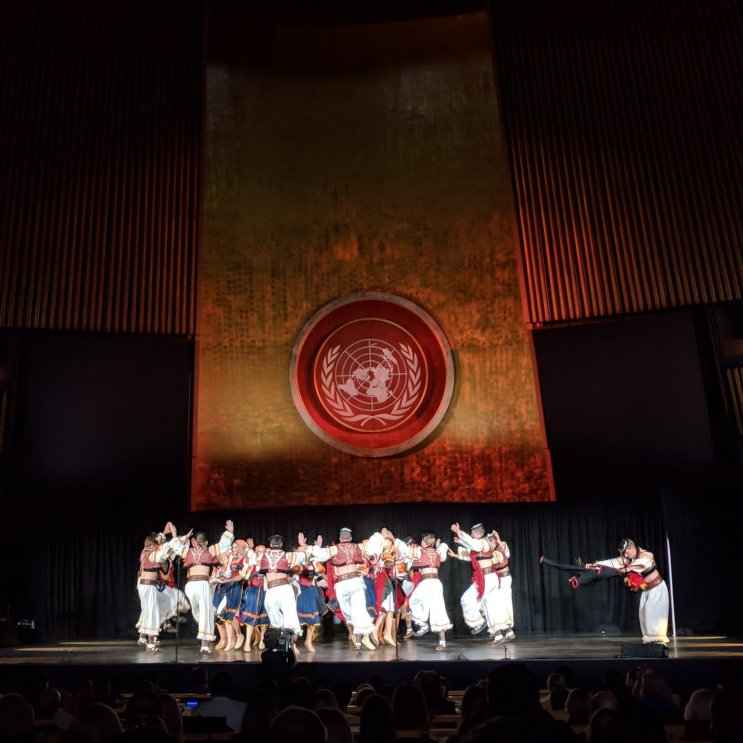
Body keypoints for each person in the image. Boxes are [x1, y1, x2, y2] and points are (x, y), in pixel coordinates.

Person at [303, 526, 385, 652]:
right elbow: (374, 547)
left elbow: (320, 554)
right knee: (355, 612)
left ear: (340, 538)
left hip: (344, 584)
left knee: (353, 613)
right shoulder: (359, 547)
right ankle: (361, 637)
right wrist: (380, 535)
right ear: (351, 538)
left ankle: (362, 638)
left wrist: (305, 546)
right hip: (354, 582)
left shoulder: (335, 549)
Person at [586, 538, 669, 645]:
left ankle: (658, 644)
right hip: (647, 590)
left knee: (653, 614)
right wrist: (595, 565)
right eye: (623, 553)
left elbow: (644, 563)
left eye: (626, 552)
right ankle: (650, 643)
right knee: (644, 616)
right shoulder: (628, 559)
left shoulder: (646, 555)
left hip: (657, 589)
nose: (625, 555)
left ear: (631, 547)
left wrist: (627, 569)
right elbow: (613, 562)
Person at [171, 519, 235, 653]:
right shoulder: (210, 550)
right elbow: (224, 543)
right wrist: (229, 531)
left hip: (190, 586)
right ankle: (205, 644)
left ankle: (203, 629)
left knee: (197, 611)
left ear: (195, 542)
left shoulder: (187, 551)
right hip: (202, 584)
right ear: (205, 542)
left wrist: (175, 534)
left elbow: (176, 545)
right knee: (206, 611)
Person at [449, 522, 515, 645]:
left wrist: (459, 532)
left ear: (478, 533)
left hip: (486, 579)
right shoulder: (481, 544)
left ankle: (479, 622)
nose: (472, 534)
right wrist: (461, 542)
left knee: (466, 599)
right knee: (490, 607)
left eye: (473, 532)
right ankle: (499, 635)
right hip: (490, 578)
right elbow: (472, 550)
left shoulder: (483, 542)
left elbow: (475, 545)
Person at [386, 528, 452, 651]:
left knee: (413, 602)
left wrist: (393, 538)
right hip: (437, 583)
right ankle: (442, 642)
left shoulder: (419, 552)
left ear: (424, 542)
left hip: (426, 582)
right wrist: (438, 545)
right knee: (438, 609)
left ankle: (423, 624)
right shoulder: (438, 553)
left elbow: (404, 549)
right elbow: (444, 547)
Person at [136, 522, 179, 652]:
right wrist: (175, 536)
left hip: (145, 584)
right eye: (158, 542)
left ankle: (144, 638)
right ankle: (150, 641)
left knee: (149, 610)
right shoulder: (150, 553)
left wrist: (168, 534)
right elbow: (164, 551)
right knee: (152, 612)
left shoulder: (145, 553)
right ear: (152, 544)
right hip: (148, 585)